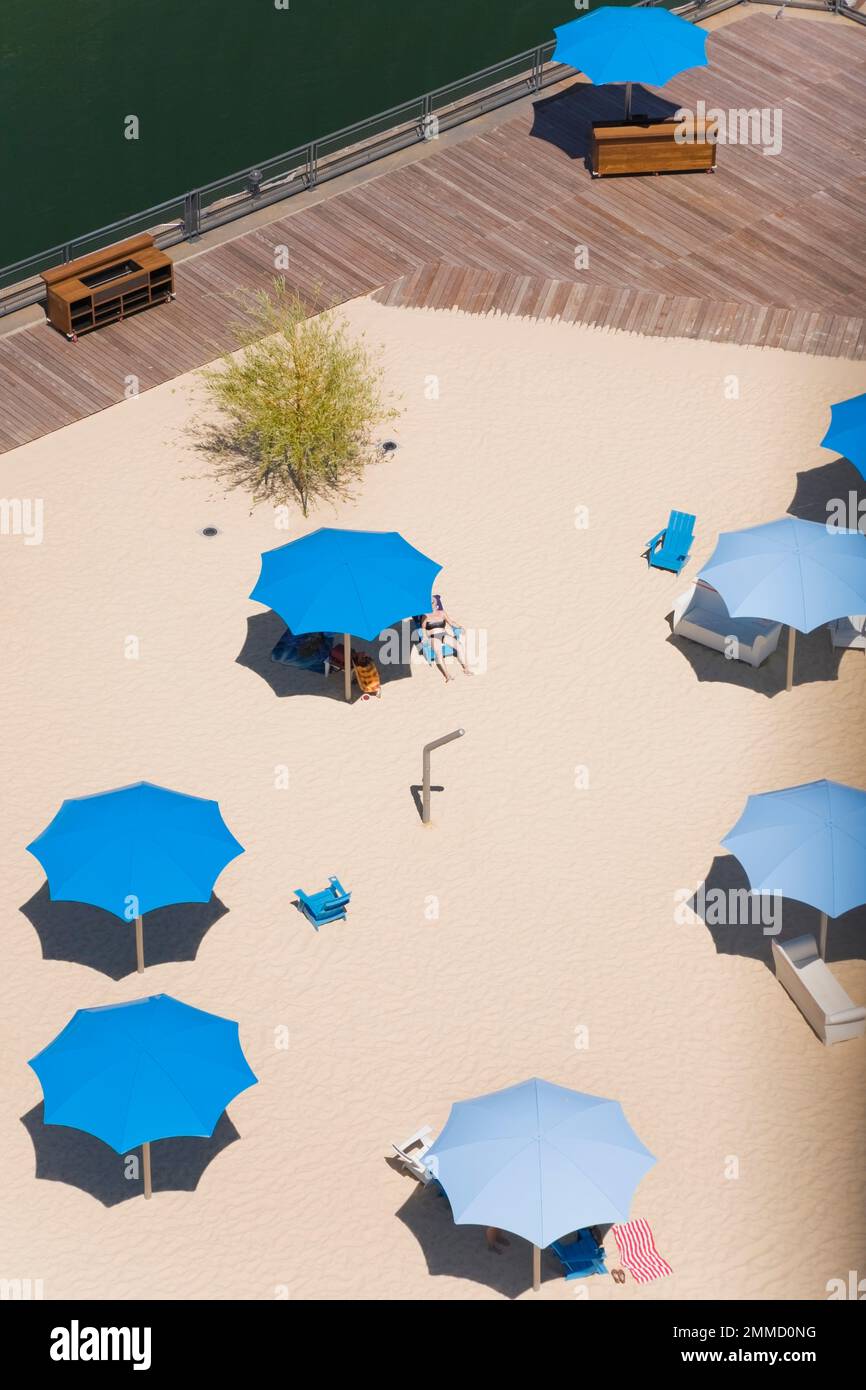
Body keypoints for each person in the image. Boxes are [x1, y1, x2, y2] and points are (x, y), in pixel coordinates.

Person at [421, 608, 473, 682]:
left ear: (436, 604)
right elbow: (423, 628)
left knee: (459, 646)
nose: (433, 604)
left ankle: (466, 669)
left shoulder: (442, 613)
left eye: (434, 602)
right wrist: (424, 637)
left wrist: (460, 627)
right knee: (439, 654)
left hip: (444, 634)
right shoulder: (425, 615)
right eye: (431, 603)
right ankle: (447, 675)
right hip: (433, 636)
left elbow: (451, 622)